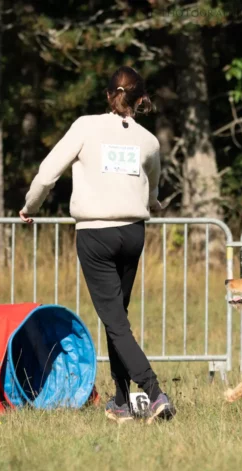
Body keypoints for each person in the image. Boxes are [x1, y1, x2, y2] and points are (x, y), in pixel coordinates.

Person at [19, 66, 175, 424]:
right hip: (133, 233)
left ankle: (153, 394)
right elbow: (152, 190)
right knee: (115, 318)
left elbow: (47, 174)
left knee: (116, 322)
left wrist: (30, 207)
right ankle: (121, 401)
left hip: (96, 236)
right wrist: (153, 203)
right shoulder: (148, 141)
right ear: (140, 100)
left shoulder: (86, 127)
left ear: (108, 96)